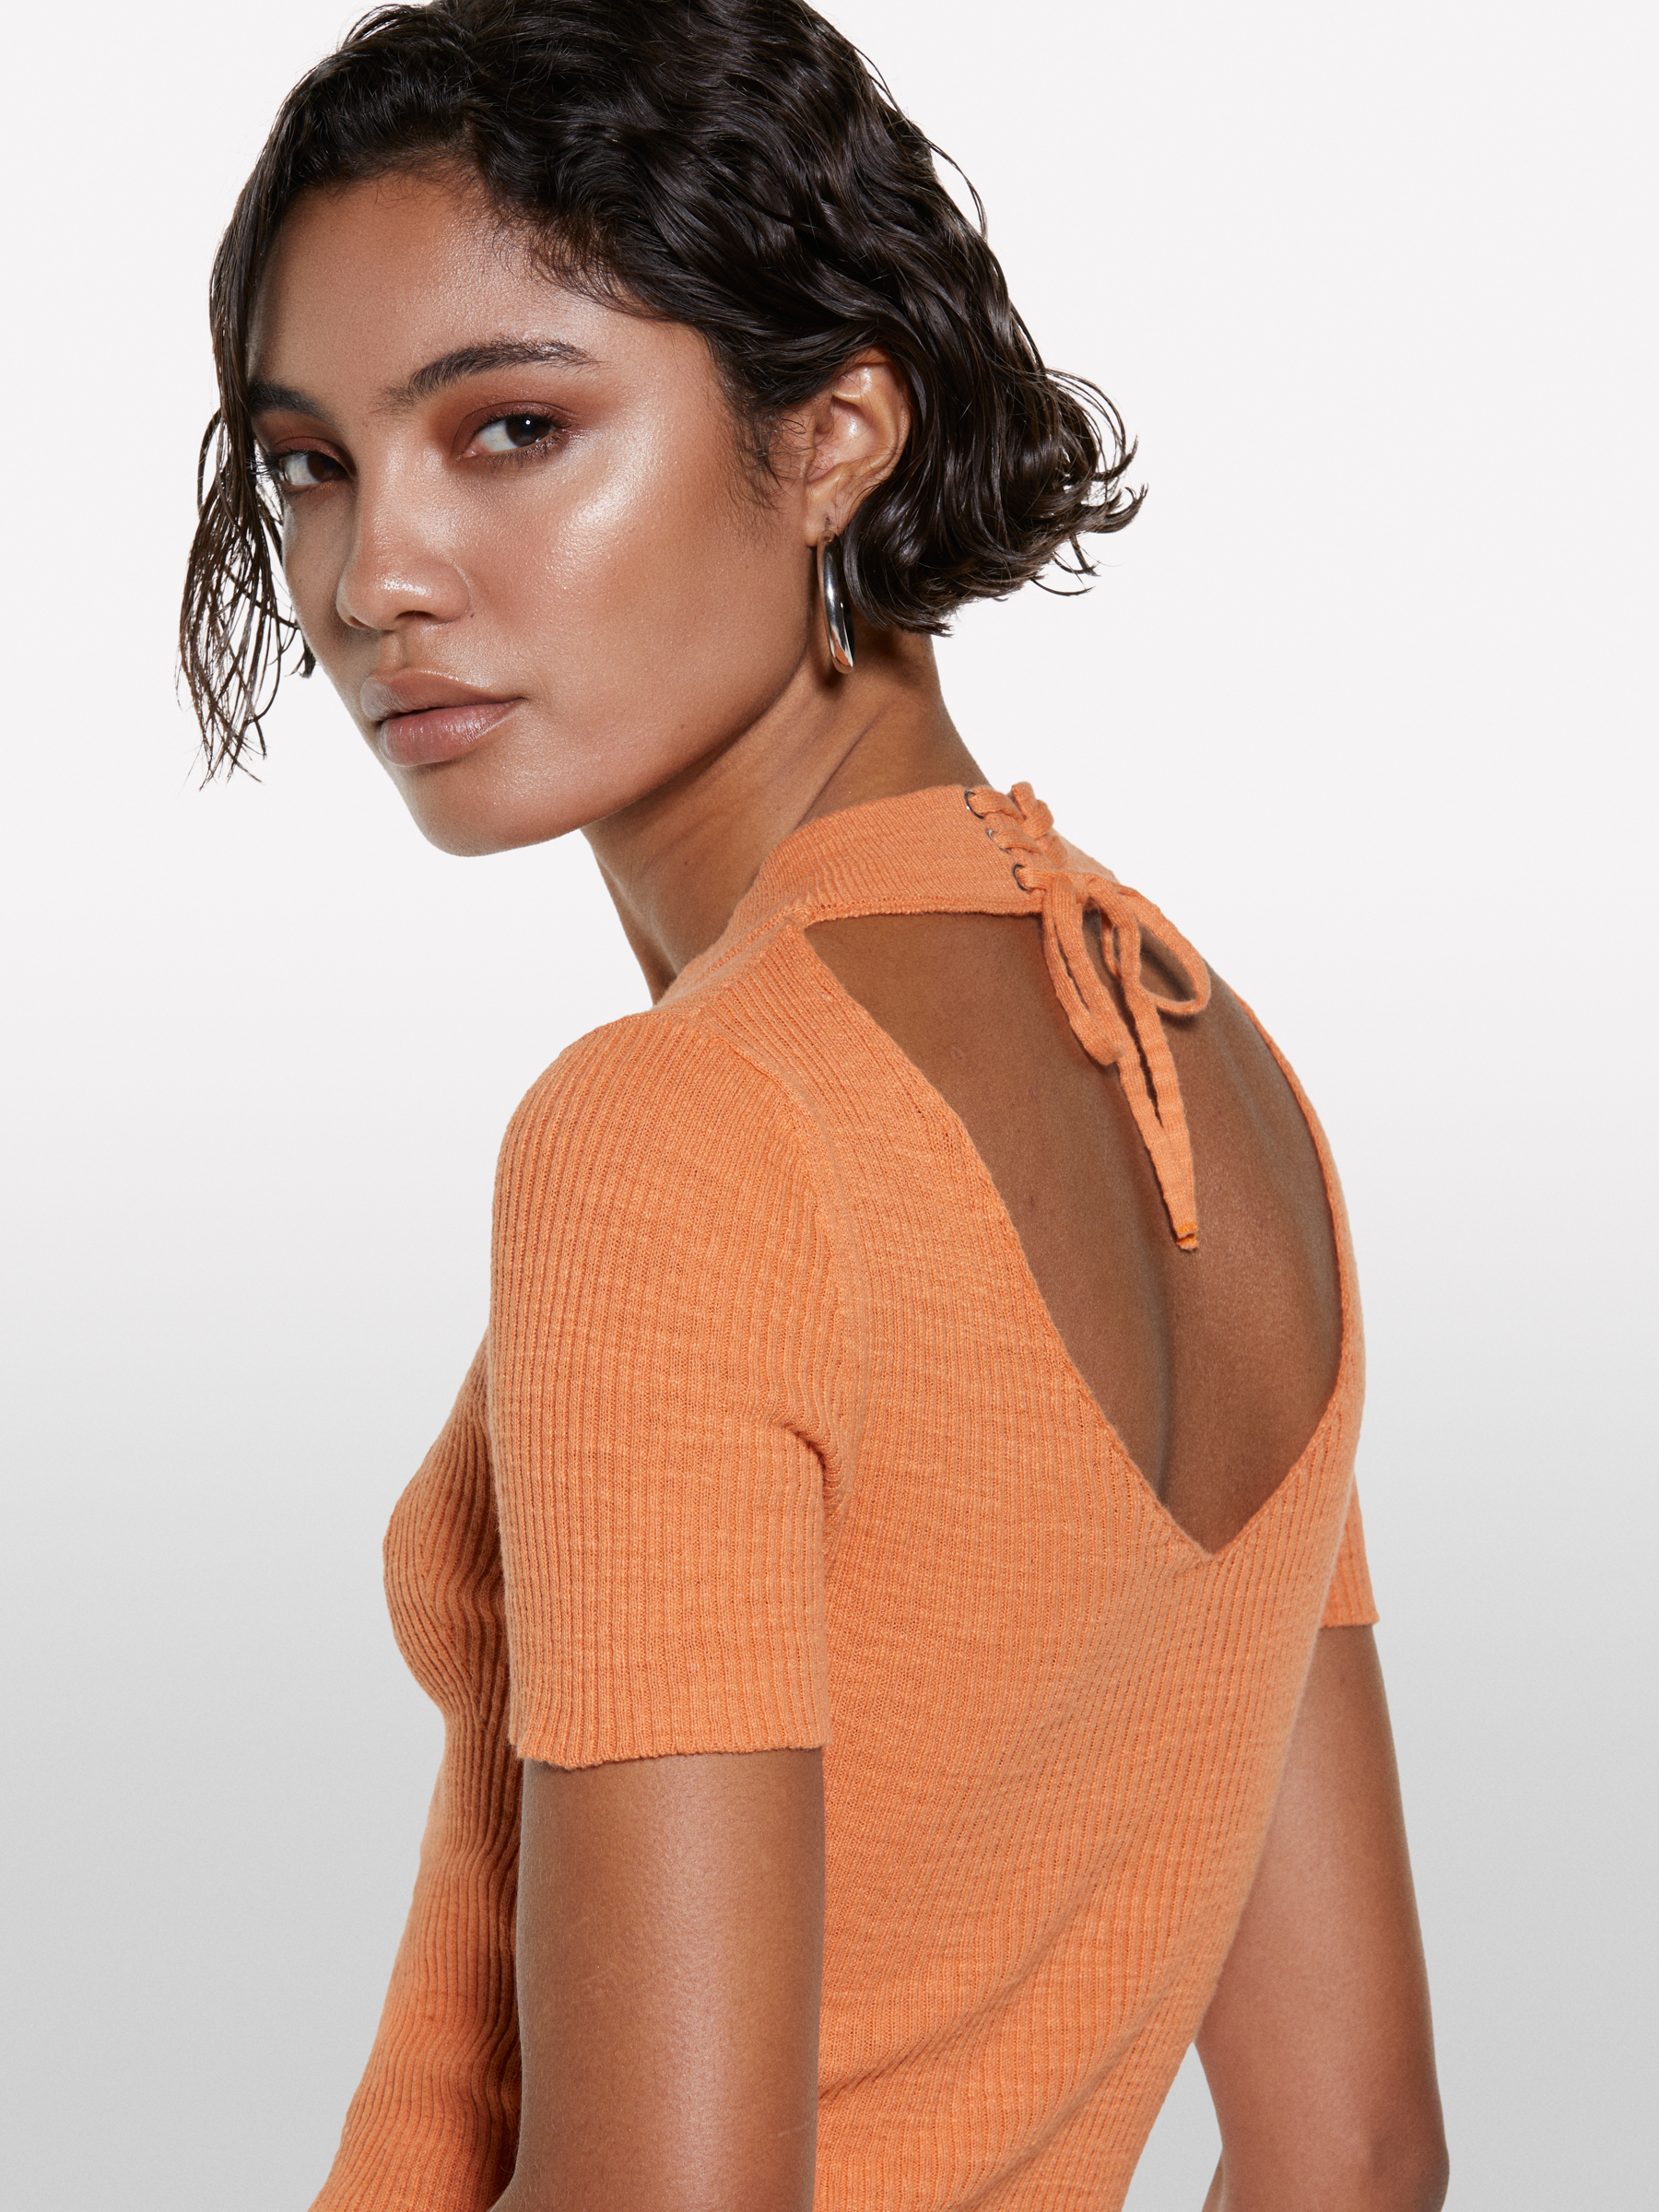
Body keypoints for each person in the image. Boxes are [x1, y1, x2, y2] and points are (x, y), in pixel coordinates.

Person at [181, 3, 1448, 2206]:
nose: (375, 576)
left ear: (839, 433)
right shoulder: (1216, 1074)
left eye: (510, 430)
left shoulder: (688, 1136)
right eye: (311, 463)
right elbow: (1353, 2152)